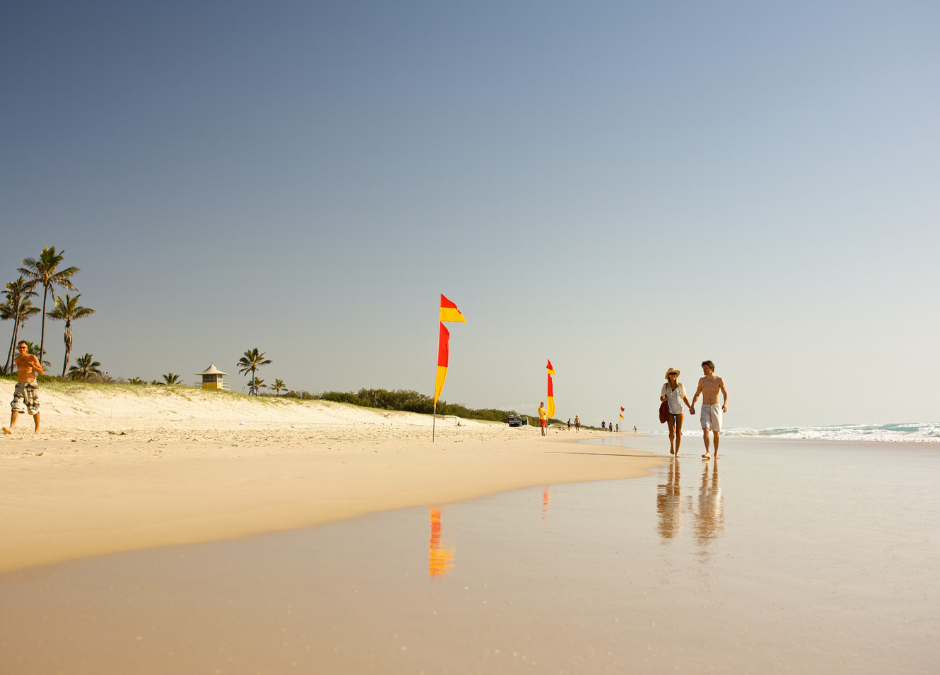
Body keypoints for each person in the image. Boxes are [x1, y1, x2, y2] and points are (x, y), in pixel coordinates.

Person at [690, 360, 729, 459]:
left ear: (711, 368)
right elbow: (697, 394)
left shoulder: (719, 380)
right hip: (705, 407)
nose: (704, 370)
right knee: (705, 429)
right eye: (703, 368)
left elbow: (725, 392)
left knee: (716, 432)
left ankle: (716, 453)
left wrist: (725, 404)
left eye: (705, 368)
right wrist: (692, 405)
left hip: (716, 407)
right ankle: (707, 451)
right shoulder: (702, 381)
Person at [4, 340, 43, 435]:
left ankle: (37, 429)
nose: (22, 349)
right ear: (18, 349)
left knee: (33, 407)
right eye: (20, 347)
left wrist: (32, 365)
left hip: (31, 385)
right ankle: (11, 427)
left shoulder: (32, 357)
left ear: (27, 348)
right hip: (20, 385)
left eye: (24, 347)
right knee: (15, 405)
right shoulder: (17, 360)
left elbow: (41, 372)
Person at [660, 368, 693, 455]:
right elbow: (661, 398)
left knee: (678, 432)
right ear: (668, 376)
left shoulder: (680, 386)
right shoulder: (665, 386)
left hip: (679, 409)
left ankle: (677, 452)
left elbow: (684, 398)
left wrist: (690, 407)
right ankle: (672, 444)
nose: (673, 375)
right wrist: (664, 399)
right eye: (671, 374)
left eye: (674, 373)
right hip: (670, 410)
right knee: (672, 432)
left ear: (676, 375)